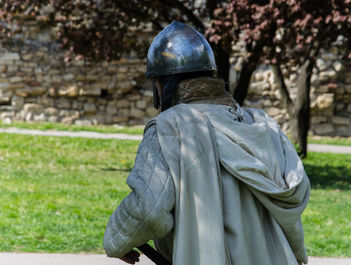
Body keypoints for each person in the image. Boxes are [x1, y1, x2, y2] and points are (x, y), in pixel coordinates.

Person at [103, 21, 310, 265]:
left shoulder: (172, 127)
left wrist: (116, 239)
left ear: (162, 83)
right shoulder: (263, 125)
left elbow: (149, 210)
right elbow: (293, 201)